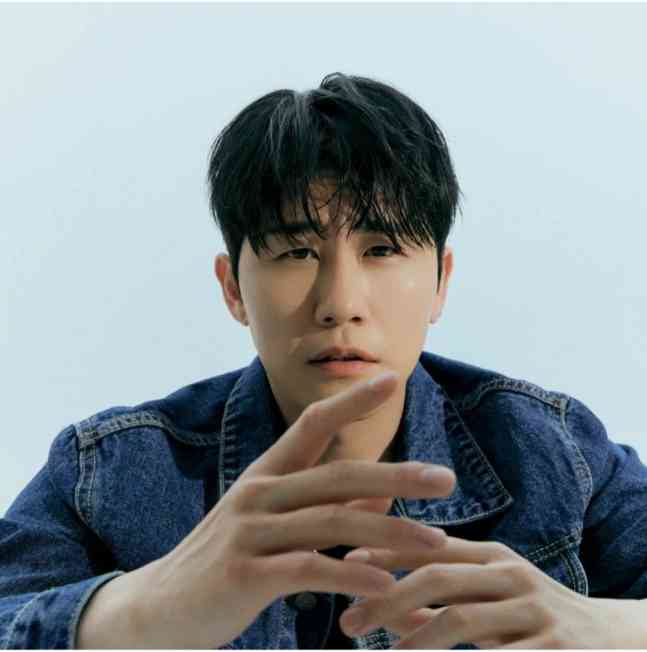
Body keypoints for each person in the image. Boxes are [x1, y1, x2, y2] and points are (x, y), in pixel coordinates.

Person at [1, 72, 647, 651]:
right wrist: (136, 618)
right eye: (295, 252)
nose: (340, 304)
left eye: (382, 249)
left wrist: (607, 628)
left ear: (440, 282)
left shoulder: (554, 451)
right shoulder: (106, 471)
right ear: (233, 288)